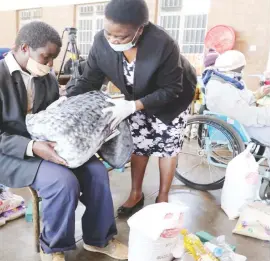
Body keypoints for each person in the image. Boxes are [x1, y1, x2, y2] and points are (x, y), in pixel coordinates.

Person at [0, 21, 127, 261]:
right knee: (62, 182)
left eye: (52, 60)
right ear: (25, 47)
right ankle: (53, 247)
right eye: (45, 58)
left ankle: (99, 239)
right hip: (11, 153)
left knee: (97, 173)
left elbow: (54, 118)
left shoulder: (45, 79)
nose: (49, 66)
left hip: (48, 144)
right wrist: (32, 147)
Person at [67, 0, 197, 216]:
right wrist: (67, 99)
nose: (113, 39)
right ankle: (136, 193)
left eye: (121, 36)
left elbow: (172, 88)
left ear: (140, 28)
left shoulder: (162, 43)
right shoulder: (101, 42)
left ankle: (163, 197)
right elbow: (90, 81)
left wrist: (132, 106)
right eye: (109, 33)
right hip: (134, 99)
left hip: (172, 99)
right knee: (139, 146)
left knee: (167, 146)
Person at [204, 50, 270, 147]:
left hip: (241, 122)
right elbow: (246, 115)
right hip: (239, 126)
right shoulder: (220, 88)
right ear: (231, 70)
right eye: (239, 69)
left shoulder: (230, 81)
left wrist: (258, 94)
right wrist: (267, 115)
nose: (241, 72)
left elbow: (243, 100)